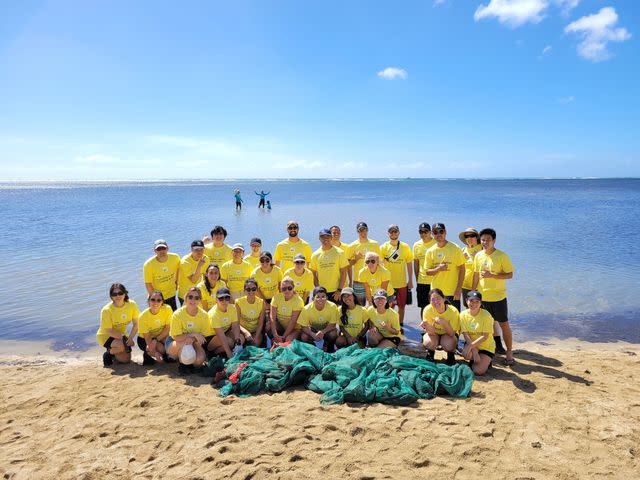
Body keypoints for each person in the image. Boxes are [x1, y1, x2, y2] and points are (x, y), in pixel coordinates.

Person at [472, 228, 515, 365]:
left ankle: (509, 352)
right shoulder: (478, 255)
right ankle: (488, 352)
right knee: (485, 326)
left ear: (494, 240)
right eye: (483, 240)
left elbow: (510, 274)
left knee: (504, 325)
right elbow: (476, 274)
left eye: (488, 240)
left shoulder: (502, 256)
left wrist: (493, 276)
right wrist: (473, 292)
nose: (485, 242)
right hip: (482, 298)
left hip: (498, 298)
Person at [166, 286, 211, 373]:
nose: (193, 300)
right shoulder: (177, 314)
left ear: (199, 300)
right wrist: (193, 334)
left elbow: (204, 336)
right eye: (190, 297)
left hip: (194, 341)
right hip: (175, 342)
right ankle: (182, 363)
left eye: (196, 298)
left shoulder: (204, 315)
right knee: (185, 346)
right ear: (185, 298)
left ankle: (188, 363)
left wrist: (193, 338)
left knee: (199, 360)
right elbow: (176, 337)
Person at [96, 283, 139, 367]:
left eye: (120, 293)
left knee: (126, 360)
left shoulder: (132, 305)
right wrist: (125, 339)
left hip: (120, 335)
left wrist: (130, 338)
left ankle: (116, 351)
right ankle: (108, 354)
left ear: (125, 293)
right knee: (122, 347)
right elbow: (108, 331)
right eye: (114, 294)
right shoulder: (107, 310)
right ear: (111, 296)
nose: (117, 296)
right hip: (105, 336)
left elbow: (136, 323)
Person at [423, 223, 465, 306]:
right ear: (432, 233)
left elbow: (462, 269)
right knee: (436, 318)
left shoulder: (455, 248)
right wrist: (438, 269)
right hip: (436, 293)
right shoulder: (430, 251)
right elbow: (427, 272)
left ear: (445, 232)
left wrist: (459, 288)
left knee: (453, 318)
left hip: (452, 292)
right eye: (435, 232)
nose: (438, 234)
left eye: (441, 231)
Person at [380, 224, 413, 326]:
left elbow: (409, 264)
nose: (393, 233)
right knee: (389, 306)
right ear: (388, 233)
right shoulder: (383, 247)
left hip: (402, 282)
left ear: (399, 232)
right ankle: (389, 325)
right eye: (391, 231)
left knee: (402, 306)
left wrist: (410, 280)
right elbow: (379, 265)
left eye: (395, 231)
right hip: (388, 283)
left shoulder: (405, 246)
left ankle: (400, 325)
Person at [420, 288, 460, 365]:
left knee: (449, 344)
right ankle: (431, 352)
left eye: (438, 298)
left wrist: (444, 323)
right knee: (428, 342)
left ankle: (451, 354)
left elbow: (452, 334)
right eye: (433, 299)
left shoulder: (453, 311)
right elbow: (430, 333)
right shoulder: (427, 310)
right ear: (429, 301)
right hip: (435, 333)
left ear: (444, 298)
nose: (436, 302)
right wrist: (427, 326)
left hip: (448, 334)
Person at [459, 290, 495, 375]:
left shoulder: (486, 315)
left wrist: (470, 347)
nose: (474, 304)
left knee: (478, 371)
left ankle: (487, 361)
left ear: (481, 303)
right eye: (471, 301)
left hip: (486, 347)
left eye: (477, 301)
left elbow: (485, 336)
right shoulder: (462, 315)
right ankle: (475, 359)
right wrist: (474, 351)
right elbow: (465, 334)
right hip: (472, 344)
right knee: (465, 354)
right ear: (466, 301)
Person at [309, 229, 349, 303]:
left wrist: (339, 290)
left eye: (327, 236)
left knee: (338, 314)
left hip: (336, 292)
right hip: (322, 293)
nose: (325, 239)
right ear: (319, 238)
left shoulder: (340, 252)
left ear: (331, 238)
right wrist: (318, 290)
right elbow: (313, 275)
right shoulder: (315, 255)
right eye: (323, 237)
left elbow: (344, 272)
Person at [347, 221, 380, 305]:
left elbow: (379, 262)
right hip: (359, 280)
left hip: (373, 279)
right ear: (357, 232)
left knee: (373, 304)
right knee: (359, 305)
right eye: (360, 231)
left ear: (367, 230)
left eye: (364, 230)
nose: (363, 233)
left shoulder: (374, 244)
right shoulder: (352, 246)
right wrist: (356, 259)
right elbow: (347, 264)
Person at [298, 287, 340, 351]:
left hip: (326, 330)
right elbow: (303, 326)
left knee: (333, 334)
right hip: (313, 330)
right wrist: (313, 334)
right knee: (304, 337)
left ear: (327, 298)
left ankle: (328, 347)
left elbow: (333, 324)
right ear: (312, 298)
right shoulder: (306, 309)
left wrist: (323, 332)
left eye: (323, 297)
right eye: (317, 297)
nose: (320, 299)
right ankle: (312, 348)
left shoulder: (333, 306)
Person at [143, 239, 180, 310]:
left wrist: (177, 282)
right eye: (159, 249)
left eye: (163, 248)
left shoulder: (175, 257)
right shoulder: (148, 264)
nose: (161, 251)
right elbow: (148, 283)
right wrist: (155, 299)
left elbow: (178, 269)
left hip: (171, 294)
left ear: (167, 248)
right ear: (155, 251)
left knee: (172, 317)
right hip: (157, 297)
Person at [137, 291, 172, 365]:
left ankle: (163, 355)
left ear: (162, 302)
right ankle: (147, 355)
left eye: (159, 300)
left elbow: (167, 328)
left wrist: (156, 340)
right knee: (161, 349)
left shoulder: (167, 309)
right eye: (153, 299)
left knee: (168, 347)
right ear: (148, 301)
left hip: (159, 336)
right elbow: (147, 338)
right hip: (144, 339)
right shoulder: (142, 316)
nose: (155, 302)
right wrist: (155, 353)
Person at [207, 287, 242, 359]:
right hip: (211, 337)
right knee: (229, 343)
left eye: (227, 298)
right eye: (221, 298)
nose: (224, 301)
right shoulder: (213, 314)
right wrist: (230, 355)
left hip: (224, 333)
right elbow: (221, 336)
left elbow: (235, 326)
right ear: (216, 300)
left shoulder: (232, 308)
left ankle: (230, 351)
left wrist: (237, 341)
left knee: (241, 338)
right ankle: (212, 354)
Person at [269, 277, 305, 343]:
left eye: (289, 288)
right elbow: (272, 317)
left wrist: (283, 337)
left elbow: (293, 321)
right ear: (281, 289)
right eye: (284, 289)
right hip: (282, 326)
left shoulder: (298, 301)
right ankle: (273, 341)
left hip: (295, 328)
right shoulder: (276, 297)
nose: (287, 290)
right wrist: (275, 335)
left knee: (288, 340)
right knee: (268, 326)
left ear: (293, 287)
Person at [235, 279, 267, 347]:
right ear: (244, 290)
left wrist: (256, 336)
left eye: (253, 289)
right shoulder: (238, 302)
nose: (251, 291)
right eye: (248, 289)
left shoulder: (262, 303)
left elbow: (260, 323)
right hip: (242, 331)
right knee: (240, 341)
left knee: (256, 343)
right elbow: (236, 323)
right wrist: (245, 332)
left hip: (255, 331)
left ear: (257, 290)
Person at [413, 222, 435, 314]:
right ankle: (425, 328)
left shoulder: (436, 243)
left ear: (430, 232)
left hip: (435, 281)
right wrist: (417, 279)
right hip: (422, 281)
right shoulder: (416, 245)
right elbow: (416, 263)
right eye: (421, 232)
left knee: (436, 306)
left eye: (425, 231)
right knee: (424, 308)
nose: (423, 234)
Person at [177, 240, 208, 305]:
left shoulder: (205, 259)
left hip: (198, 293)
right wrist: (199, 265)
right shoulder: (185, 262)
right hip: (185, 294)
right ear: (191, 250)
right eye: (196, 250)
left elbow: (206, 276)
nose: (199, 252)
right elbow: (193, 280)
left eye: (201, 249)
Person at [459, 228, 482, 309]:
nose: (469, 238)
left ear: (477, 237)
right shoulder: (463, 250)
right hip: (465, 285)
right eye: (467, 236)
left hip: (479, 286)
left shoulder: (482, 248)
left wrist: (478, 257)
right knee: (468, 308)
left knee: (482, 310)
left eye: (472, 235)